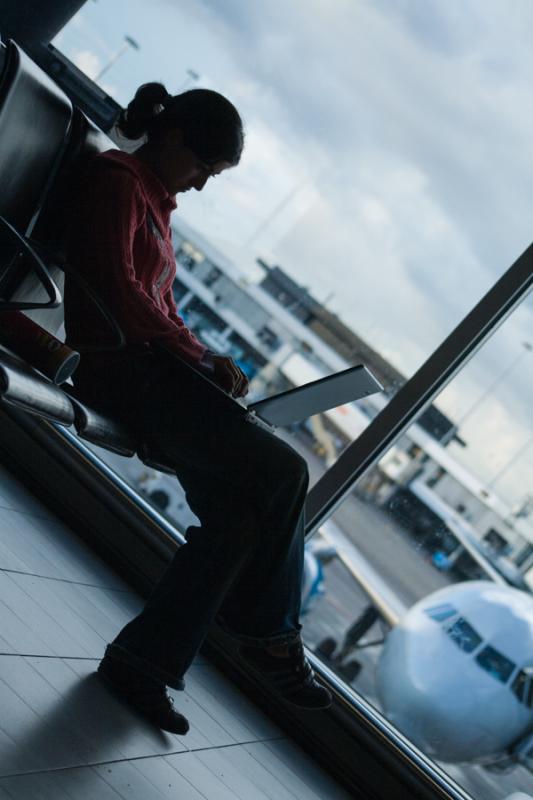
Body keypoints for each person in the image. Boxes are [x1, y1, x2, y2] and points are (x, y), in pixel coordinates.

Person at [64, 82, 332, 735]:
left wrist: (202, 356)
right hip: (126, 376)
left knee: (239, 522)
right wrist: (193, 357)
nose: (202, 186)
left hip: (155, 376)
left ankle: (140, 666)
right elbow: (116, 290)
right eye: (205, 169)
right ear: (176, 137)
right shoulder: (118, 180)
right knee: (287, 473)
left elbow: (154, 304)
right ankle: (269, 636)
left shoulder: (152, 199)